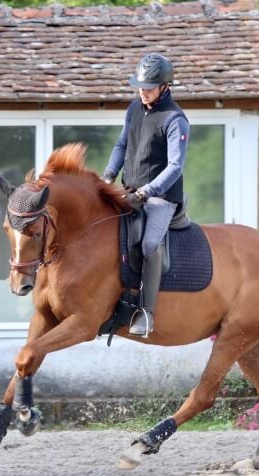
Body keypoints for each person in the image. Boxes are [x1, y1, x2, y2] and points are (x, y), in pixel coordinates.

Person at [102, 53, 190, 337]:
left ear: (165, 87)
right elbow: (121, 145)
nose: (143, 91)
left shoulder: (175, 119)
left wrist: (147, 191)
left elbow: (175, 166)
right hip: (129, 189)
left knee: (151, 243)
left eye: (149, 87)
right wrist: (107, 177)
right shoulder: (134, 108)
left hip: (161, 197)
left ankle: (146, 312)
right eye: (140, 85)